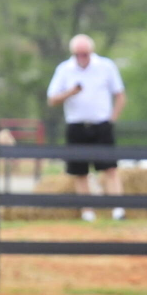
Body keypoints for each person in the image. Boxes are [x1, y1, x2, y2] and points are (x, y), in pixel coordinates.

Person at [46, 34, 126, 222]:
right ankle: (87, 212)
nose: (82, 57)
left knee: (110, 169)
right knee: (80, 171)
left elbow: (120, 95)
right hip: (76, 126)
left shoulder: (106, 66)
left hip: (102, 125)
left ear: (91, 51)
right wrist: (70, 92)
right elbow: (52, 100)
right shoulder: (64, 69)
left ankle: (118, 209)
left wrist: (112, 119)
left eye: (85, 53)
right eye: (78, 54)